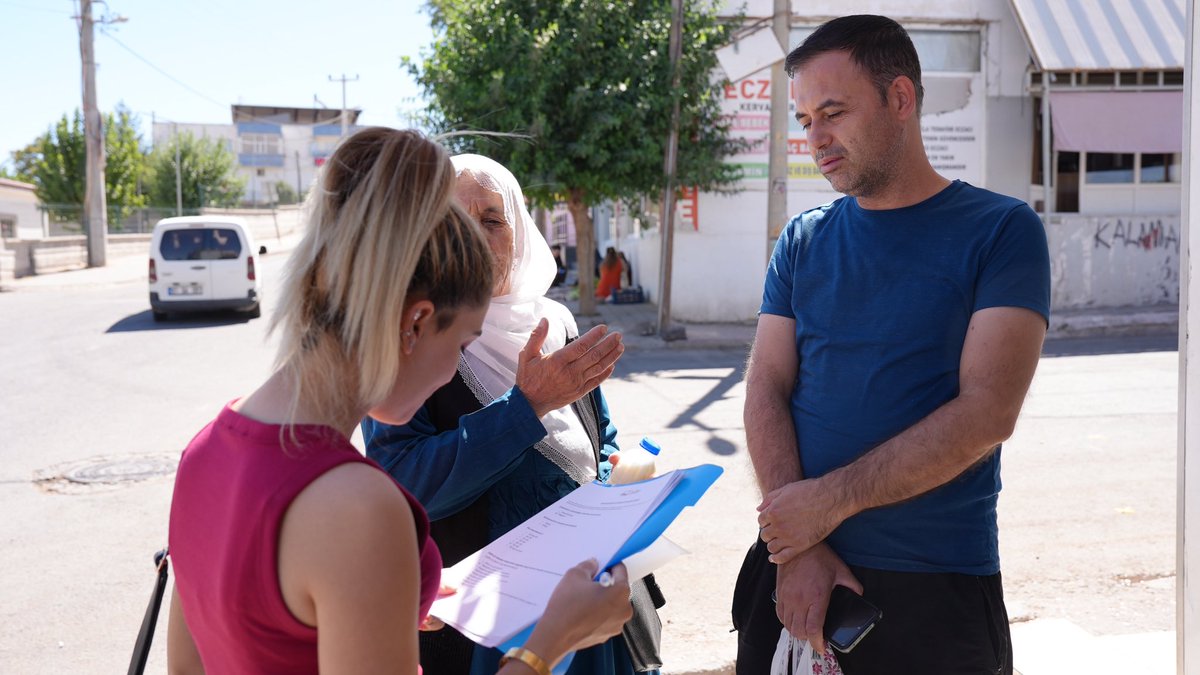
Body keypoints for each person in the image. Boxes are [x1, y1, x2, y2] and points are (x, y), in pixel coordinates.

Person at [166, 128, 634, 674]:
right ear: (415, 323)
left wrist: (374, 597)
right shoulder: (363, 510)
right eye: (462, 342)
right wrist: (549, 642)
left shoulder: (205, 451)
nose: (451, 375)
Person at [731, 15, 1051, 675]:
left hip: (933, 587)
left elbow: (988, 411)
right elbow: (766, 384)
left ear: (900, 99)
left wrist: (827, 503)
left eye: (833, 112)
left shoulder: (1001, 230)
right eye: (804, 119)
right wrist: (797, 548)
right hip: (793, 574)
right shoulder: (803, 238)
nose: (815, 139)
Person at [363, 153, 665, 675]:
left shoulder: (553, 321)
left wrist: (615, 468)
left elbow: (598, 431)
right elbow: (401, 482)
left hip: (594, 600)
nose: (474, 239)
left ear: (519, 232)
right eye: (454, 224)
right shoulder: (409, 337)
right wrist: (525, 408)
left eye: (492, 221)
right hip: (484, 634)